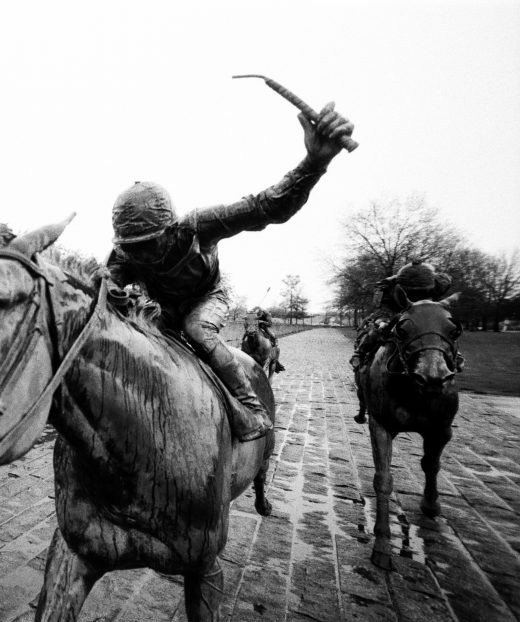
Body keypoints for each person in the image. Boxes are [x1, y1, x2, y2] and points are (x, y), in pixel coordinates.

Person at [108, 102, 353, 441]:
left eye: (149, 243)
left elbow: (268, 206)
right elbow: (103, 291)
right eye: (133, 247)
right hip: (163, 308)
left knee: (197, 330)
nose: (141, 254)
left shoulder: (198, 227)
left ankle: (251, 407)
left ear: (171, 229)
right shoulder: (124, 253)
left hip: (206, 298)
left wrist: (314, 163)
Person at [350, 260, 452, 369]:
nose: (416, 295)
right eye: (412, 292)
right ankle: (360, 353)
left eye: (421, 291)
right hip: (392, 308)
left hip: (418, 310)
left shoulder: (437, 284)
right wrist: (385, 320)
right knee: (380, 327)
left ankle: (452, 356)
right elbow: (382, 308)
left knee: (438, 328)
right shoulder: (387, 286)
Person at [249, 306, 286, 373]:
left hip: (264, 327)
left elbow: (270, 324)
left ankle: (273, 351)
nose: (258, 315)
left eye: (259, 314)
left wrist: (262, 322)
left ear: (262, 312)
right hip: (255, 328)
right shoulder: (254, 314)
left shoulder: (267, 314)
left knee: (273, 336)